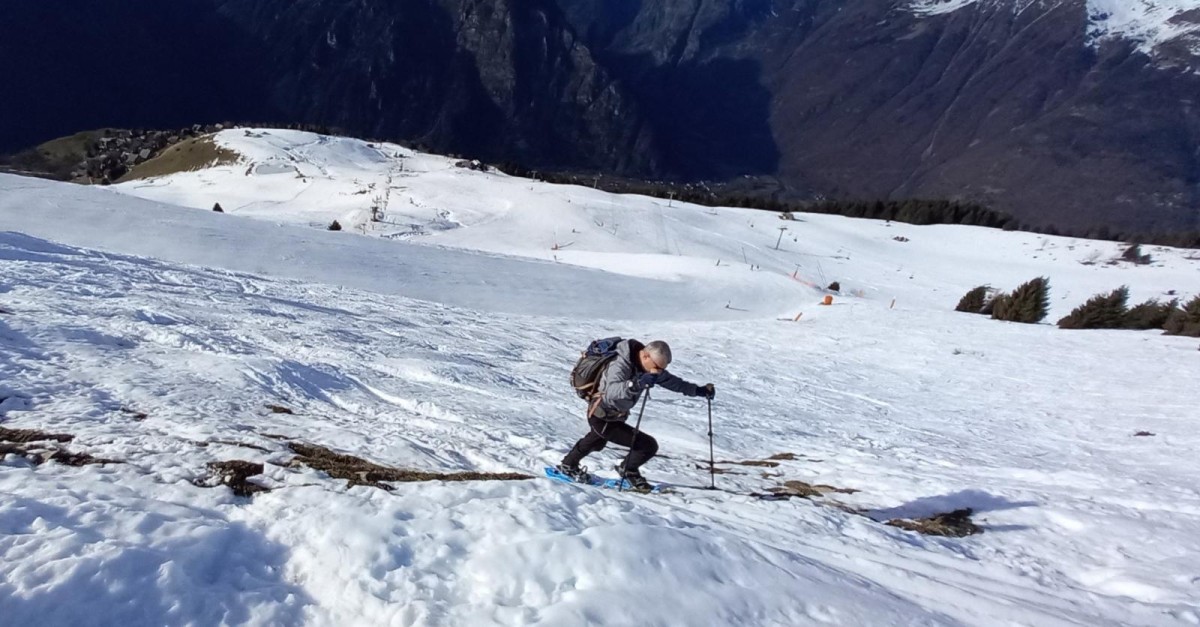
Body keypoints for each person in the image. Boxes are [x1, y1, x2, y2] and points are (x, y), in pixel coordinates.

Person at [557, 339, 715, 490]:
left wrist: (698, 391)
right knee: (647, 445)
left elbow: (673, 382)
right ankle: (627, 471)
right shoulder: (620, 364)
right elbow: (611, 392)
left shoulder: (648, 366)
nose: (658, 372)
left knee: (596, 440)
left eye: (661, 369)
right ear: (645, 355)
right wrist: (636, 383)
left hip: (615, 416)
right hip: (601, 414)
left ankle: (568, 465)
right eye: (657, 367)